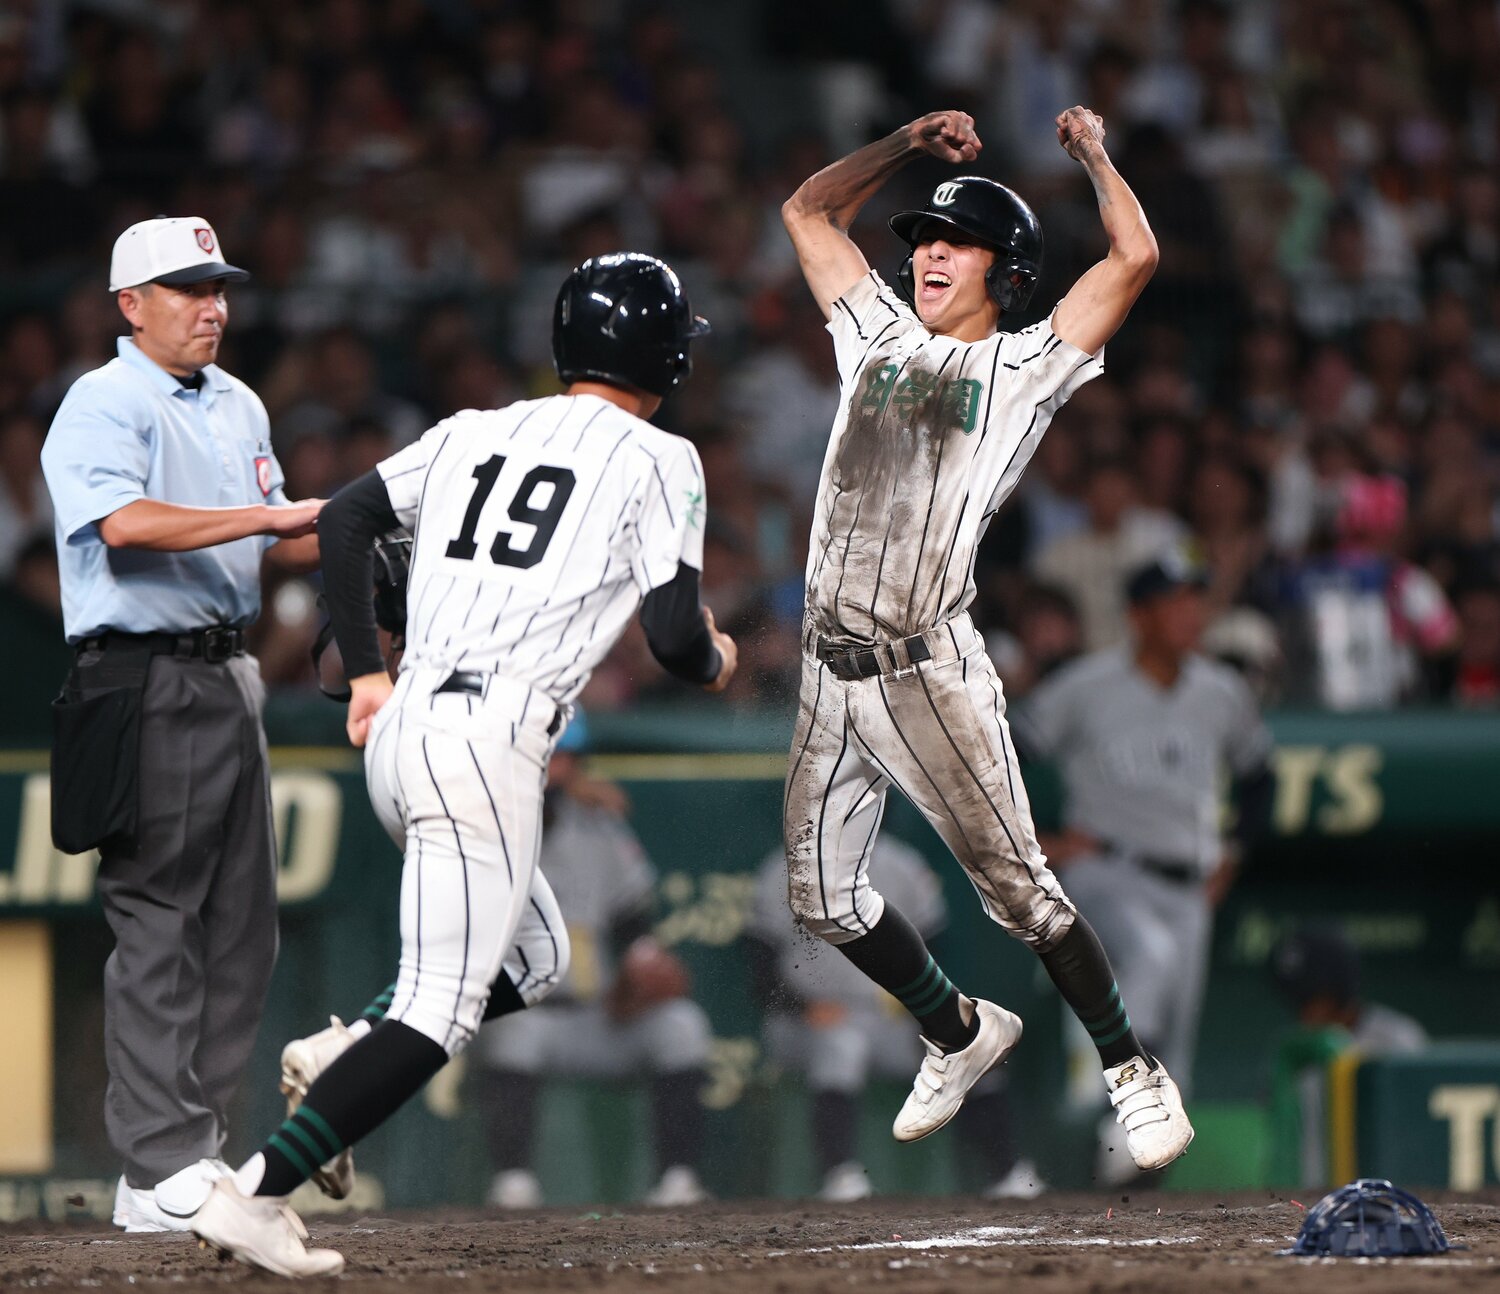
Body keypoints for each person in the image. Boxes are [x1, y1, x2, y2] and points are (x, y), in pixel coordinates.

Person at [190, 252, 736, 1277]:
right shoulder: (663, 456)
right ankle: (256, 1190)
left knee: (534, 959)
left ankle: (343, 1049)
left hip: (406, 732)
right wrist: (719, 654)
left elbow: (344, 517)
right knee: (438, 1011)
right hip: (489, 744)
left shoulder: (478, 426)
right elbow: (673, 640)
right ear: (664, 353)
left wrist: (362, 672)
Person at [777, 105, 1192, 1177]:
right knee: (819, 900)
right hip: (827, 666)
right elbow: (809, 210)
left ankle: (1135, 1072)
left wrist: (1097, 154)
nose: (926, 256)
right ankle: (959, 1030)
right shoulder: (873, 330)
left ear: (1005, 271)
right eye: (920, 240)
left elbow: (1135, 253)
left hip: (927, 669)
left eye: (952, 244)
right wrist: (907, 147)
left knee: (1024, 898)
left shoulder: (1023, 368)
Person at [38, 217, 324, 1234]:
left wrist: (357, 521)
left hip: (231, 671)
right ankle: (160, 1160)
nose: (214, 304)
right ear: (131, 304)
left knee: (244, 929)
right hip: (143, 674)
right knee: (157, 921)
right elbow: (123, 524)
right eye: (188, 286)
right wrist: (274, 521)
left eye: (219, 285)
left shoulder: (240, 402)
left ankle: (188, 1156)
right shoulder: (103, 402)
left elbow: (281, 528)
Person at [1011, 552, 1274, 1181]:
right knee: (1149, 958)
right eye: (1173, 601)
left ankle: (1119, 1180)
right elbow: (1007, 747)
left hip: (1189, 884)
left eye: (1195, 600)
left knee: (1176, 1060)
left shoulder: (1221, 690)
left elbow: (1261, 777)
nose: (1190, 613)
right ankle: (1128, 1110)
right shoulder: (1086, 685)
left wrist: (1233, 852)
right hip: (1107, 870)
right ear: (1138, 615)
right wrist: (1033, 838)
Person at [478, 712, 713, 1210]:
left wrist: (643, 960)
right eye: (544, 758)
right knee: (513, 1031)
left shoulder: (599, 825)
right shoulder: (493, 823)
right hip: (530, 1015)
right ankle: (513, 1180)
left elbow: (634, 921)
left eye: (563, 759)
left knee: (680, 1025)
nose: (552, 769)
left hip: (600, 1017)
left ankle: (677, 1178)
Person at [749, 835, 1041, 1202]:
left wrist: (925, 1009)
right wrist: (802, 1007)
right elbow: (758, 964)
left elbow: (934, 949)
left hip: (886, 1020)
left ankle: (1009, 1172)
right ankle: (840, 1176)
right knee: (842, 1044)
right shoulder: (786, 867)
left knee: (967, 1044)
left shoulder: (901, 863)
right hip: (806, 1022)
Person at [1267, 922, 1428, 1189]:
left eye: (1314, 998)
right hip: (1318, 1194)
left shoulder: (1398, 1040)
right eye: (1297, 1001)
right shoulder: (1297, 1052)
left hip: (1397, 1190)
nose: (1306, 1012)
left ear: (1339, 990)